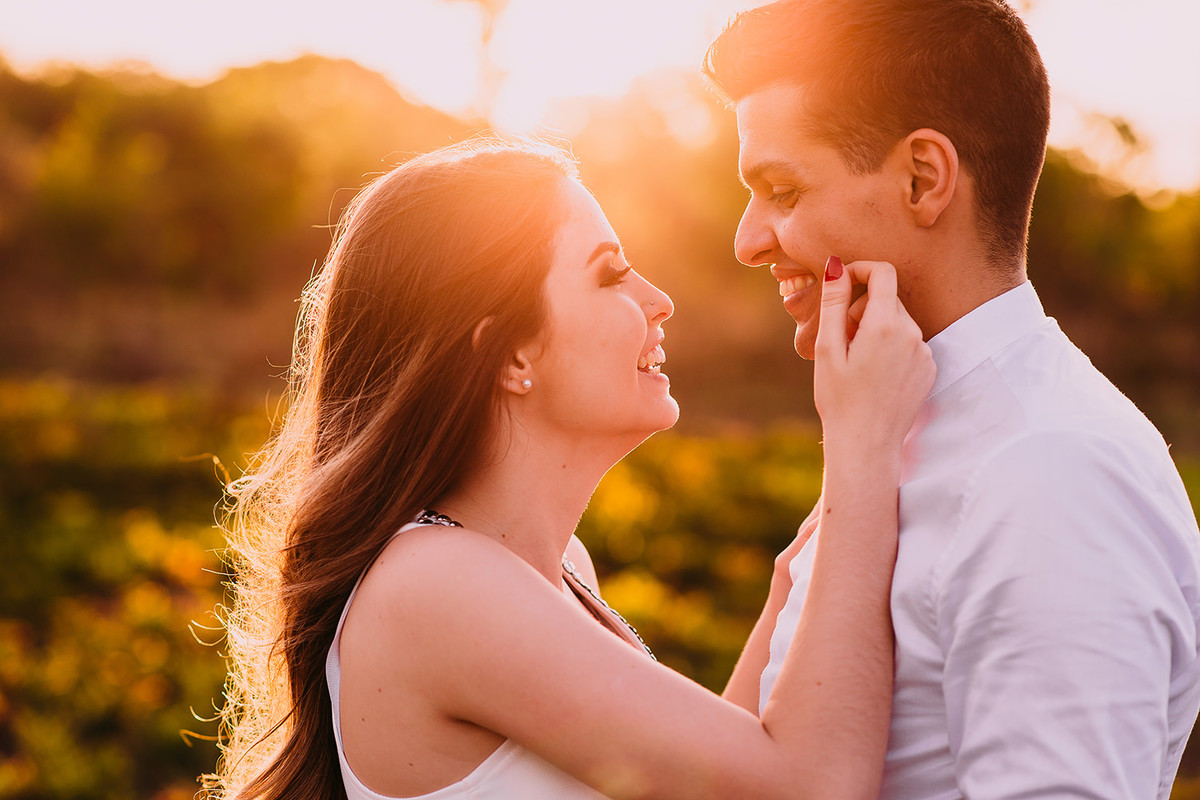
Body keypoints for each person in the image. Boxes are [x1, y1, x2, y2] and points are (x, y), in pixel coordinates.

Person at [207, 136, 934, 799]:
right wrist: (860, 447)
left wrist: (792, 586)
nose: (659, 300)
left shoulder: (549, 572)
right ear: (510, 355)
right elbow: (810, 789)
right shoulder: (434, 586)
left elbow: (721, 778)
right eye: (611, 275)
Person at [703, 0, 1200, 797]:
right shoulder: (892, 435)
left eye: (783, 190)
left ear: (922, 178)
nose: (749, 239)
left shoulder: (1052, 470)